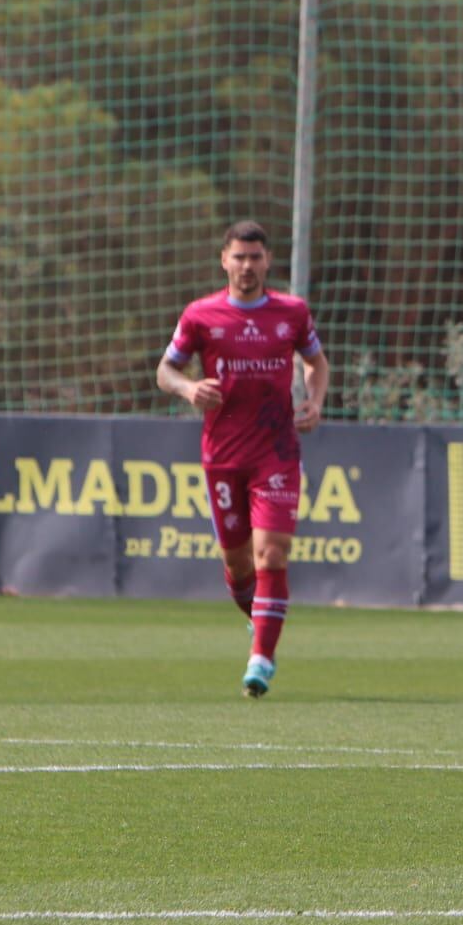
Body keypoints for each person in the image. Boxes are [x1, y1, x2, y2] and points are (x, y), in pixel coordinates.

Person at [157, 220, 329, 697]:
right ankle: (260, 623)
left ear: (267, 261)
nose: (247, 266)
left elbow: (317, 362)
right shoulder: (200, 315)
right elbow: (166, 370)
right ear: (224, 260)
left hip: (276, 453)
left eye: (255, 257)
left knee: (271, 552)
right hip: (223, 455)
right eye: (239, 257)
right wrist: (189, 387)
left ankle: (261, 660)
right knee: (238, 567)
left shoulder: (291, 314)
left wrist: (315, 401)